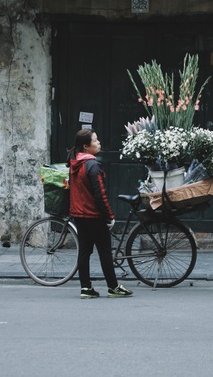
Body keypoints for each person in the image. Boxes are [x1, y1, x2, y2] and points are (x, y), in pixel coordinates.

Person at [67, 128, 133, 299]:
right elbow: (100, 195)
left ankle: (86, 288)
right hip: (93, 215)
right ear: (86, 146)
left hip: (79, 215)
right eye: (95, 140)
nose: (99, 142)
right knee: (104, 251)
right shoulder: (92, 165)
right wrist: (109, 216)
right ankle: (113, 287)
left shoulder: (75, 163)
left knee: (84, 251)